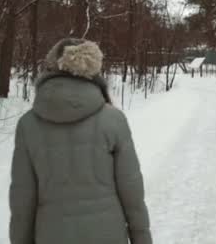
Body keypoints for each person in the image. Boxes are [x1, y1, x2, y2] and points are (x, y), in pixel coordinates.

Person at [9, 38, 152, 244]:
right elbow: (133, 196)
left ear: (51, 68)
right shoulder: (113, 120)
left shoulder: (28, 125)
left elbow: (22, 202)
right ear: (93, 70)